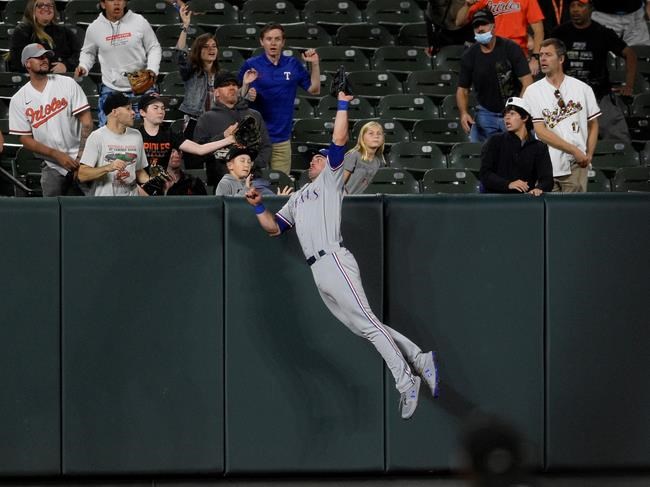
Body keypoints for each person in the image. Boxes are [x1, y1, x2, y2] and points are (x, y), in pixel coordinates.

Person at [244, 92, 440, 420]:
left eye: (320, 158)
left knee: (367, 323)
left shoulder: (332, 181)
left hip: (334, 259)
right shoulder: (297, 197)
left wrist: (343, 103)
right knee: (363, 326)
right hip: (318, 270)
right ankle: (420, 360)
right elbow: (273, 229)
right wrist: (258, 206)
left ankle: (406, 380)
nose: (315, 161)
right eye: (315, 159)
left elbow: (339, 138)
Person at [9, 44, 93, 197]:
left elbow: (86, 121)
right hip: (52, 164)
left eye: (46, 56)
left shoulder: (67, 83)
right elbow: (25, 139)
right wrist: (56, 154)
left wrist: (82, 159)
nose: (44, 60)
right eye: (39, 57)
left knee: (95, 207)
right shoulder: (18, 99)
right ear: (27, 63)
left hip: (82, 160)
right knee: (52, 212)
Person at [238, 23, 321, 175]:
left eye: (277, 39)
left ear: (283, 42)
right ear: (262, 42)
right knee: (253, 183)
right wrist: (246, 90)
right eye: (269, 39)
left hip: (282, 139)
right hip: (255, 139)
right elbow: (237, 96)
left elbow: (314, 90)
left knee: (279, 184)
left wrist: (315, 64)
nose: (273, 43)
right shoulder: (251, 64)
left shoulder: (293, 64)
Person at [552, 0, 636, 143]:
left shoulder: (602, 33)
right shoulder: (559, 33)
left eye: (581, 5)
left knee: (619, 140)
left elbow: (631, 54)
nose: (575, 10)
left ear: (591, 9)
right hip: (566, 97)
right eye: (573, 5)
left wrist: (629, 85)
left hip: (598, 96)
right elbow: (545, 56)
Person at [523, 38, 601, 192]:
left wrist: (589, 154)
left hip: (576, 165)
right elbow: (540, 131)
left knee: (575, 213)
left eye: (548, 55)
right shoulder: (532, 91)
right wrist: (574, 150)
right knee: (551, 214)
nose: (543, 59)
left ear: (561, 59)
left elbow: (593, 124)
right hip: (547, 165)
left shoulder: (582, 89)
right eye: (540, 55)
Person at [74, 0, 161, 127]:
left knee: (146, 132)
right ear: (103, 4)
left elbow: (154, 47)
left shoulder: (139, 21)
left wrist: (152, 69)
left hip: (142, 86)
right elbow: (88, 52)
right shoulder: (95, 28)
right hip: (112, 89)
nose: (117, 3)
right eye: (112, 0)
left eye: (120, 0)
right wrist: (83, 66)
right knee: (109, 133)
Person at [457, 9, 533, 142]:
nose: (480, 29)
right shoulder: (469, 55)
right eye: (476, 26)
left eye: (484, 24)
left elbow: (527, 81)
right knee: (478, 154)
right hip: (485, 112)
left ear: (493, 26)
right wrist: (463, 113)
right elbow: (462, 90)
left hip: (511, 110)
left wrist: (517, 109)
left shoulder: (511, 48)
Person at [193, 71, 273, 193]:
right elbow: (198, 154)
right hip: (222, 182)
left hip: (254, 180)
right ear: (216, 92)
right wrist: (223, 136)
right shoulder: (206, 119)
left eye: (234, 84)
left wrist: (249, 164)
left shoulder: (254, 115)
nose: (232, 88)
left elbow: (266, 147)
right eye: (226, 85)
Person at [138, 92, 238, 170]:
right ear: (142, 112)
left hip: (158, 190)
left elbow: (200, 149)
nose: (161, 111)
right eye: (155, 108)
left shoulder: (170, 134)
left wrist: (229, 139)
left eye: (163, 108)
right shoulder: (136, 135)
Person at [78, 92, 150, 196]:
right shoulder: (97, 136)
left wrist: (152, 181)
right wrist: (109, 167)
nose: (133, 112)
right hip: (106, 204)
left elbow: (139, 171)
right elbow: (82, 174)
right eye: (128, 108)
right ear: (115, 112)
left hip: (132, 203)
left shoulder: (136, 135)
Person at [479, 97, 553, 195]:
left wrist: (539, 189)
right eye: (505, 114)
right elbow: (485, 174)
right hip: (497, 200)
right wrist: (508, 184)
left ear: (525, 117)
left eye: (512, 114)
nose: (507, 117)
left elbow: (547, 179)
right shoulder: (495, 141)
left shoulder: (539, 147)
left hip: (525, 202)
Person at [175, 4, 219, 168]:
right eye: (206, 47)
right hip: (194, 123)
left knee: (216, 167)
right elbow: (180, 54)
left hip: (216, 123)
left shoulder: (221, 75)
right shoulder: (191, 71)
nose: (211, 49)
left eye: (214, 46)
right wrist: (185, 25)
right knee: (194, 167)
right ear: (198, 51)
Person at [456, 0, 545, 76]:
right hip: (491, 54)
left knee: (521, 92)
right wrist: (467, 5)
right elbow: (459, 22)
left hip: (518, 54)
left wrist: (535, 58)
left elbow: (539, 31)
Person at [8, 0, 81, 73]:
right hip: (33, 78)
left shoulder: (64, 31)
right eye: (40, 5)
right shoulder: (22, 31)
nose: (46, 8)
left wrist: (66, 66)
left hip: (63, 78)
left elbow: (79, 53)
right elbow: (18, 62)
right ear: (31, 9)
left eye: (50, 5)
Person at [343, 121, 387, 195]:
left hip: (368, 201)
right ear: (362, 137)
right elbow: (338, 184)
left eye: (379, 133)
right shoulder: (353, 155)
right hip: (346, 201)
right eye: (371, 133)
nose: (376, 136)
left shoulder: (380, 162)